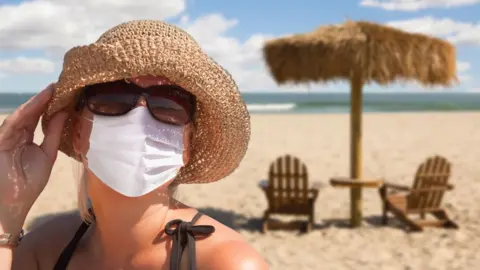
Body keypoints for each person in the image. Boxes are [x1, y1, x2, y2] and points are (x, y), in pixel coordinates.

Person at [0, 20, 268, 269]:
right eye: (112, 98)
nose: (138, 118)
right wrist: (7, 211)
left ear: (187, 146)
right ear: (78, 134)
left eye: (168, 105)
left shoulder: (225, 263)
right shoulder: (44, 249)